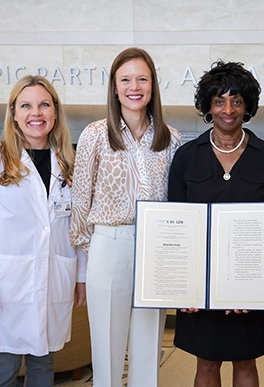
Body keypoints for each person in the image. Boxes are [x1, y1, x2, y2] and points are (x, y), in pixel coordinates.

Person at [168, 60, 264, 387]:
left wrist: (254, 288)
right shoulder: (187, 156)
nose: (228, 109)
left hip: (248, 282)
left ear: (247, 106)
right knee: (206, 363)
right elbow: (177, 226)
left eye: (237, 100)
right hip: (199, 284)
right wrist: (184, 287)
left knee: (246, 362)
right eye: (219, 101)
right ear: (208, 106)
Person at [70, 47, 181, 387]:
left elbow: (177, 204)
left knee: (149, 346)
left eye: (142, 79)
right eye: (126, 79)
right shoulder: (95, 134)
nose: (135, 86)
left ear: (153, 86)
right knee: (106, 346)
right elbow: (79, 200)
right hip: (109, 245)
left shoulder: (171, 138)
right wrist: (89, 259)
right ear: (115, 87)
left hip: (155, 250)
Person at [0, 75, 87, 387]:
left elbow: (77, 227)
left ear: (55, 112)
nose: (36, 113)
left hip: (54, 280)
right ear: (14, 113)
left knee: (44, 366)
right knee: (4, 368)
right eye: (27, 105)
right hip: (8, 284)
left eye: (44, 104)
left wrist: (81, 277)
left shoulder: (68, 163)